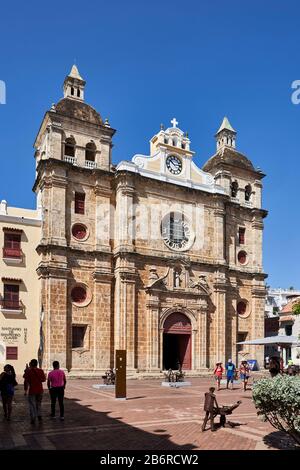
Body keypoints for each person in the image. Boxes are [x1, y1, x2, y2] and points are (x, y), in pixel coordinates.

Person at [23, 359, 46, 424]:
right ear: (37, 364)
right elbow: (44, 379)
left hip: (32, 390)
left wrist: (25, 390)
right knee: (38, 403)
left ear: (31, 364)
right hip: (40, 390)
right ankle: (39, 415)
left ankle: (33, 417)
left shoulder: (29, 371)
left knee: (32, 404)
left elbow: (26, 381)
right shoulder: (40, 370)